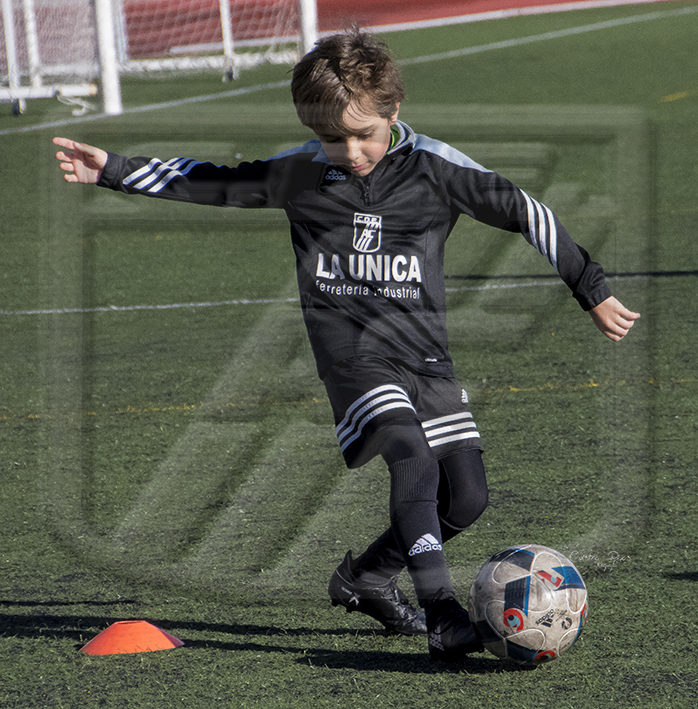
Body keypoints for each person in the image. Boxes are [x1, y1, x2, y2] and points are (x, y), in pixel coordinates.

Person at [53, 29, 640, 662]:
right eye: (333, 138)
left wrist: (591, 289)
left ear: (394, 111)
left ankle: (366, 577)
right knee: (410, 454)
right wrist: (112, 170)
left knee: (467, 498)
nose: (350, 151)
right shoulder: (303, 173)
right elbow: (214, 181)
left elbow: (528, 212)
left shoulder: (436, 168)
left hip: (426, 357)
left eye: (364, 134)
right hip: (352, 356)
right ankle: (442, 615)